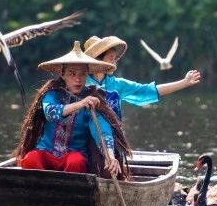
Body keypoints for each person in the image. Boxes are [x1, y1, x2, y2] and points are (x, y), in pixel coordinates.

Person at [13, 42, 131, 177]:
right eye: (72, 73)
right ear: (62, 74)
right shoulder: (51, 94)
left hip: (73, 156)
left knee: (76, 162)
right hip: (46, 153)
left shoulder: (92, 100)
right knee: (30, 159)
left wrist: (110, 155)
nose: (78, 79)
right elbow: (51, 113)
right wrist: (80, 104)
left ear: (87, 75)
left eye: (83, 74)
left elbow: (102, 130)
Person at [82, 35, 201, 121]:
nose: (115, 62)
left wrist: (184, 82)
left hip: (112, 138)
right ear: (97, 60)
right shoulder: (80, 82)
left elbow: (147, 90)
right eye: (111, 58)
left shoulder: (117, 84)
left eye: (115, 58)